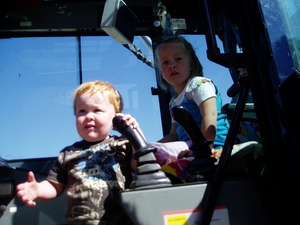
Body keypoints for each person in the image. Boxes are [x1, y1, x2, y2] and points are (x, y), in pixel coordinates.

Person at [16, 80, 140, 225]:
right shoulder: (68, 153)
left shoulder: (123, 145)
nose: (88, 116)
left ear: (116, 118)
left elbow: (140, 164)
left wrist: (134, 133)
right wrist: (37, 190)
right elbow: (55, 186)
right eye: (82, 111)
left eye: (97, 110)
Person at [154, 36, 229, 165]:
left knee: (153, 157)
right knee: (146, 153)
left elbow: (209, 115)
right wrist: (149, 147)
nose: (172, 65)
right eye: (165, 62)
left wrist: (205, 150)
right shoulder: (173, 103)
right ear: (161, 73)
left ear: (192, 65)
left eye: (178, 59)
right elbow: (173, 135)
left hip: (213, 145)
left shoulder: (198, 84)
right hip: (190, 146)